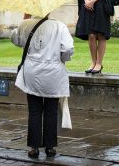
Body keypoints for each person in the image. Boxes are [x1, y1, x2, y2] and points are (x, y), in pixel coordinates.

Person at [11, 14, 74, 159]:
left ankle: (34, 147)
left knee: (34, 110)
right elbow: (68, 48)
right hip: (53, 73)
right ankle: (50, 146)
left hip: (33, 72)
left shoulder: (26, 25)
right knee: (51, 110)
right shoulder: (59, 26)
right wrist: (61, 58)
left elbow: (15, 39)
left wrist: (23, 19)